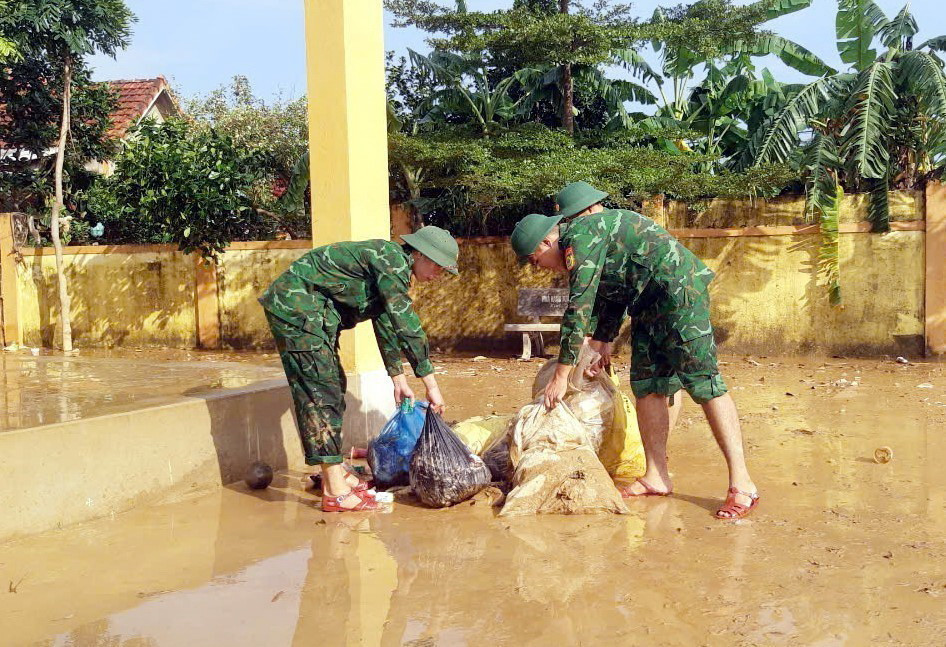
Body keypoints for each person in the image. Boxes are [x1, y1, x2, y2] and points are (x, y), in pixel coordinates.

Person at [509, 190, 759, 519]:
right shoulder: (589, 237)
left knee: (704, 383)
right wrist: (601, 344)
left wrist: (560, 378)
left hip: (677, 293)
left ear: (543, 244)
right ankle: (656, 476)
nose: (543, 269)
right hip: (646, 304)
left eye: (537, 261)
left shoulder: (580, 238)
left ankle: (743, 484)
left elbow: (578, 309)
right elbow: (611, 295)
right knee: (649, 385)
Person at [259, 226, 458, 512]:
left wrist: (398, 379)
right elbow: (407, 325)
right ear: (419, 254)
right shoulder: (392, 261)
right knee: (320, 391)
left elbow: (387, 323)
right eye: (438, 267)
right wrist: (431, 385)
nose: (438, 275)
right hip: (297, 309)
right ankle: (334, 491)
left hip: (314, 315)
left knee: (332, 384)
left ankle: (334, 470)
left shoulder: (394, 268)